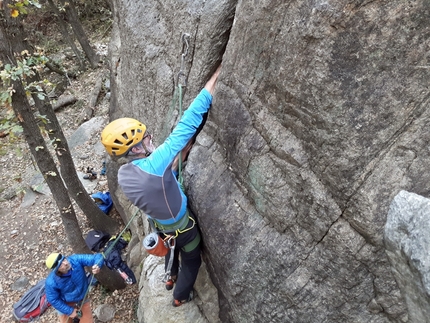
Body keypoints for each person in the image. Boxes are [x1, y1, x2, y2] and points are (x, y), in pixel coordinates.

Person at [100, 65, 221, 307]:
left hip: (161, 227)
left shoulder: (125, 173)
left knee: (171, 246)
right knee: (192, 260)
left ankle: (170, 276)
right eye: (146, 138)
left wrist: (175, 166)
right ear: (136, 149)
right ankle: (179, 296)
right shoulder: (156, 163)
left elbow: (156, 184)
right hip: (183, 228)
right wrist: (214, 79)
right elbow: (187, 123)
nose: (151, 138)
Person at [45, 252, 103, 323]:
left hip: (82, 298)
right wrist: (69, 311)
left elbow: (98, 257)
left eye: (64, 259)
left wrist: (98, 265)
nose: (65, 263)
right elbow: (53, 299)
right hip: (64, 303)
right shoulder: (51, 282)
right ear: (56, 270)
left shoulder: (75, 260)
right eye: (61, 265)